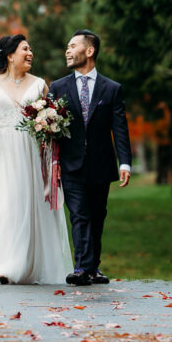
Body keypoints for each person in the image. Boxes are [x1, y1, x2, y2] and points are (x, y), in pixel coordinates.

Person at [0, 34, 73, 284]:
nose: (30, 53)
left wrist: (49, 124)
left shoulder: (40, 84)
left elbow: (50, 117)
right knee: (3, 207)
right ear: (10, 55)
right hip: (0, 154)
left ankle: (28, 264)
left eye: (31, 49)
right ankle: (3, 265)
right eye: (25, 49)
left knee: (27, 204)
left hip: (29, 153)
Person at [48, 30, 132, 286]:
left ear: (89, 50)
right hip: (70, 165)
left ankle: (93, 267)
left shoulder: (112, 89)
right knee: (80, 215)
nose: (67, 51)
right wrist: (53, 163)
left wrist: (125, 162)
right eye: (67, 47)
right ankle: (82, 268)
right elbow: (51, 129)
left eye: (73, 46)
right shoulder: (58, 87)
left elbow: (119, 128)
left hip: (101, 164)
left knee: (97, 215)